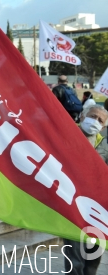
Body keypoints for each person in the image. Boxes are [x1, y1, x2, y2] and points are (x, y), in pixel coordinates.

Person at [63, 106, 108, 275]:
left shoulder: (104, 145)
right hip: (71, 203)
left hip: (96, 208)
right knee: (74, 255)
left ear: (103, 127)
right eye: (92, 116)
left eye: (100, 120)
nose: (95, 121)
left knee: (94, 256)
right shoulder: (65, 134)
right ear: (82, 116)